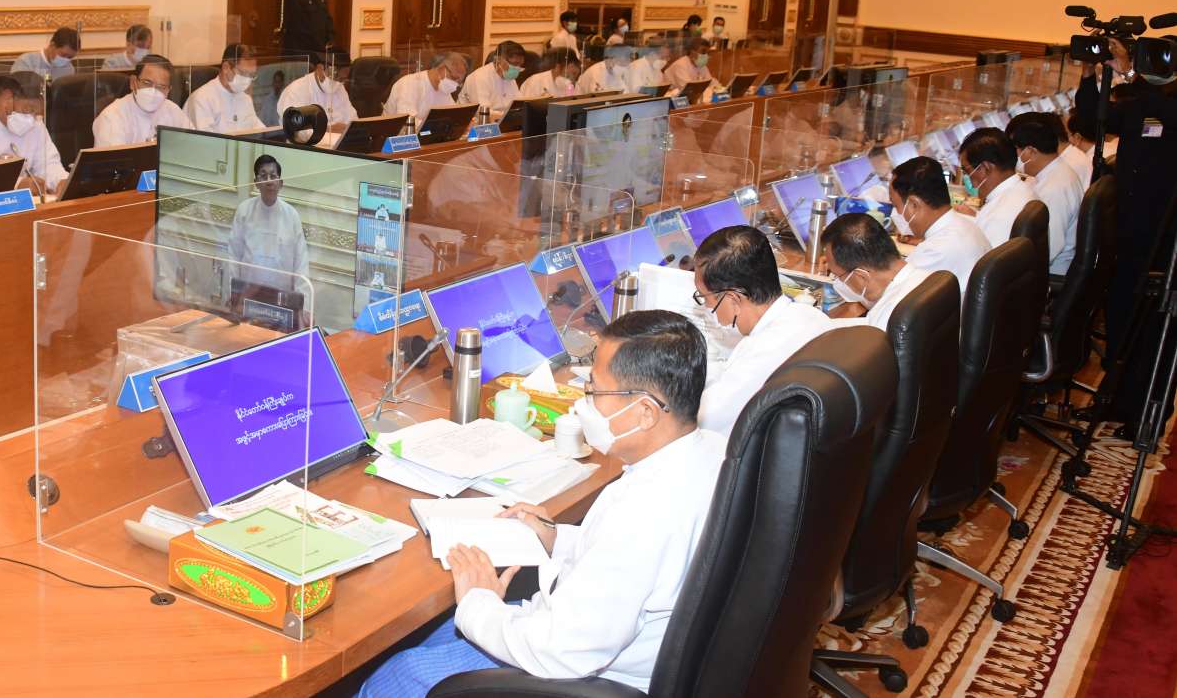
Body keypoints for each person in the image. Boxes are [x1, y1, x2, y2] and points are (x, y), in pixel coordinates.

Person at [360, 311, 725, 697]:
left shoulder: (644, 514)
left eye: (595, 392)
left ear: (646, 412)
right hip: (603, 642)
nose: (583, 404)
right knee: (435, 634)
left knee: (394, 678)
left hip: (581, 674)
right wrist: (556, 538)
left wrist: (478, 600)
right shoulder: (711, 452)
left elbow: (561, 652)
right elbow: (632, 566)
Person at [1073, 38, 1177, 436]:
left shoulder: (1161, 105)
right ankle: (1116, 401)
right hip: (1131, 233)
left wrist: (1131, 74)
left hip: (1164, 240)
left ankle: (1146, 417)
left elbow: (1163, 113)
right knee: (1122, 317)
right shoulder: (1142, 106)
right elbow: (1092, 121)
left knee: (1155, 331)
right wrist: (1090, 75)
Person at [692, 225, 833, 437]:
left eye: (705, 298)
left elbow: (703, 420)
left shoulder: (762, 350)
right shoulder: (814, 317)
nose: (707, 307)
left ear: (733, 299)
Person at [889, 156, 989, 301]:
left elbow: (891, 297)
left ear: (914, 204)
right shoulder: (966, 225)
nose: (895, 213)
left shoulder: (935, 251)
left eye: (895, 205)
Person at [819, 213, 931, 328]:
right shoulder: (927, 278)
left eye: (837, 275)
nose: (837, 282)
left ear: (861, 276)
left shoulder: (887, 320)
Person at [1007, 113, 1081, 275]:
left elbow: (1048, 249)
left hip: (1051, 275)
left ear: (1030, 151)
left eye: (1015, 151)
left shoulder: (1054, 189)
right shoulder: (1056, 172)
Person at [228, 155, 309, 293]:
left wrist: (302, 302)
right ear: (256, 183)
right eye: (263, 176)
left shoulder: (292, 215)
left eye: (273, 176)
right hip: (247, 293)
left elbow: (301, 263)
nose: (269, 181)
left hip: (282, 296)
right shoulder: (244, 210)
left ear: (280, 183)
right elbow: (233, 255)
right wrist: (233, 293)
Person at [956, 128, 1038, 252]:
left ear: (985, 167)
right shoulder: (1022, 189)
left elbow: (979, 257)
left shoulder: (1000, 216)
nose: (967, 178)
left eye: (967, 171)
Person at [91, 58, 192, 147]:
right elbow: (114, 160)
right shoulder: (112, 117)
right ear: (133, 82)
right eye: (147, 83)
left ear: (168, 91)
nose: (153, 92)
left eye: (161, 87)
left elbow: (192, 146)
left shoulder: (173, 111)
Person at [186, 43, 263, 133]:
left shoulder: (245, 99)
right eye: (243, 73)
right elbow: (204, 139)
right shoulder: (202, 99)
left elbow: (260, 131)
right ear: (226, 67)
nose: (247, 79)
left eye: (251, 75)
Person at [276, 58, 357, 143]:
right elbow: (298, 133)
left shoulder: (340, 88)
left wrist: (345, 130)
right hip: (305, 148)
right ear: (319, 69)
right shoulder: (297, 89)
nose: (337, 82)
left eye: (342, 79)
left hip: (341, 145)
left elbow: (353, 122)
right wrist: (330, 129)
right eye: (335, 77)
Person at [384, 51, 465, 123]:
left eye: (459, 81)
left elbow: (452, 116)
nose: (456, 85)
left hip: (426, 134)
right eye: (455, 78)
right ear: (442, 69)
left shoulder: (443, 87)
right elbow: (408, 122)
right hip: (394, 133)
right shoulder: (410, 84)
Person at [460, 41, 525, 118]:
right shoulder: (480, 77)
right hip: (475, 121)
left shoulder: (509, 77)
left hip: (502, 120)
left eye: (520, 65)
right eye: (514, 64)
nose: (517, 68)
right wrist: (508, 116)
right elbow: (482, 112)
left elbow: (519, 104)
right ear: (498, 60)